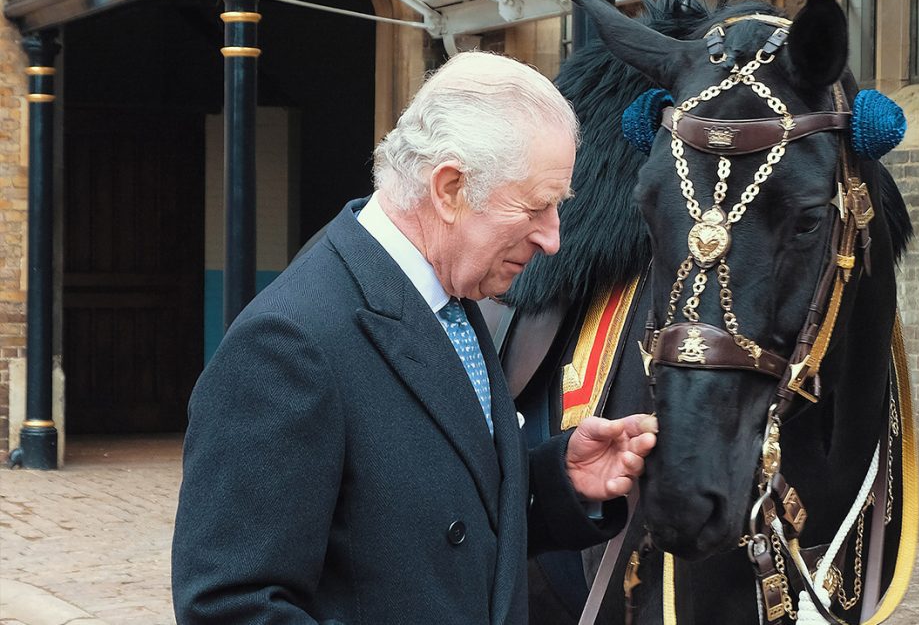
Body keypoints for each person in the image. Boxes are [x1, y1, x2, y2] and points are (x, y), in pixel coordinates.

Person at [172, 51, 658, 624]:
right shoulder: (287, 344)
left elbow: (423, 523)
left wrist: (556, 482)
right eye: (536, 206)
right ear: (449, 187)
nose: (554, 237)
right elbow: (231, 606)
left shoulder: (451, 297)